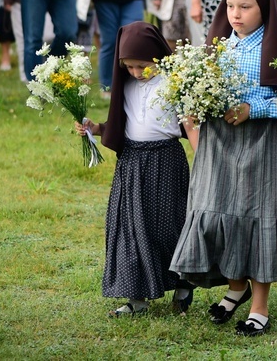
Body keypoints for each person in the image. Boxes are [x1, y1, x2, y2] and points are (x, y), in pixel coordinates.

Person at [170, 0, 277, 337]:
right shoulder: (220, 45)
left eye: (245, 7)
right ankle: (236, 287)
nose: (236, 14)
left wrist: (255, 108)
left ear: (264, 8)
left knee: (258, 218)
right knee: (222, 213)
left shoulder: (276, 46)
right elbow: (199, 88)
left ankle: (260, 306)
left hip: (262, 145)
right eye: (230, 6)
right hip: (220, 145)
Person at [75, 21, 198, 316]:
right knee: (130, 229)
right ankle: (137, 298)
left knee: (170, 227)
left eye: (141, 66)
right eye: (128, 67)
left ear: (157, 55)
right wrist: (97, 127)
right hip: (131, 163)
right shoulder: (127, 86)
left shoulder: (174, 83)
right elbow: (121, 124)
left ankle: (182, 285)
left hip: (166, 161)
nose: (135, 73)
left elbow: (191, 125)